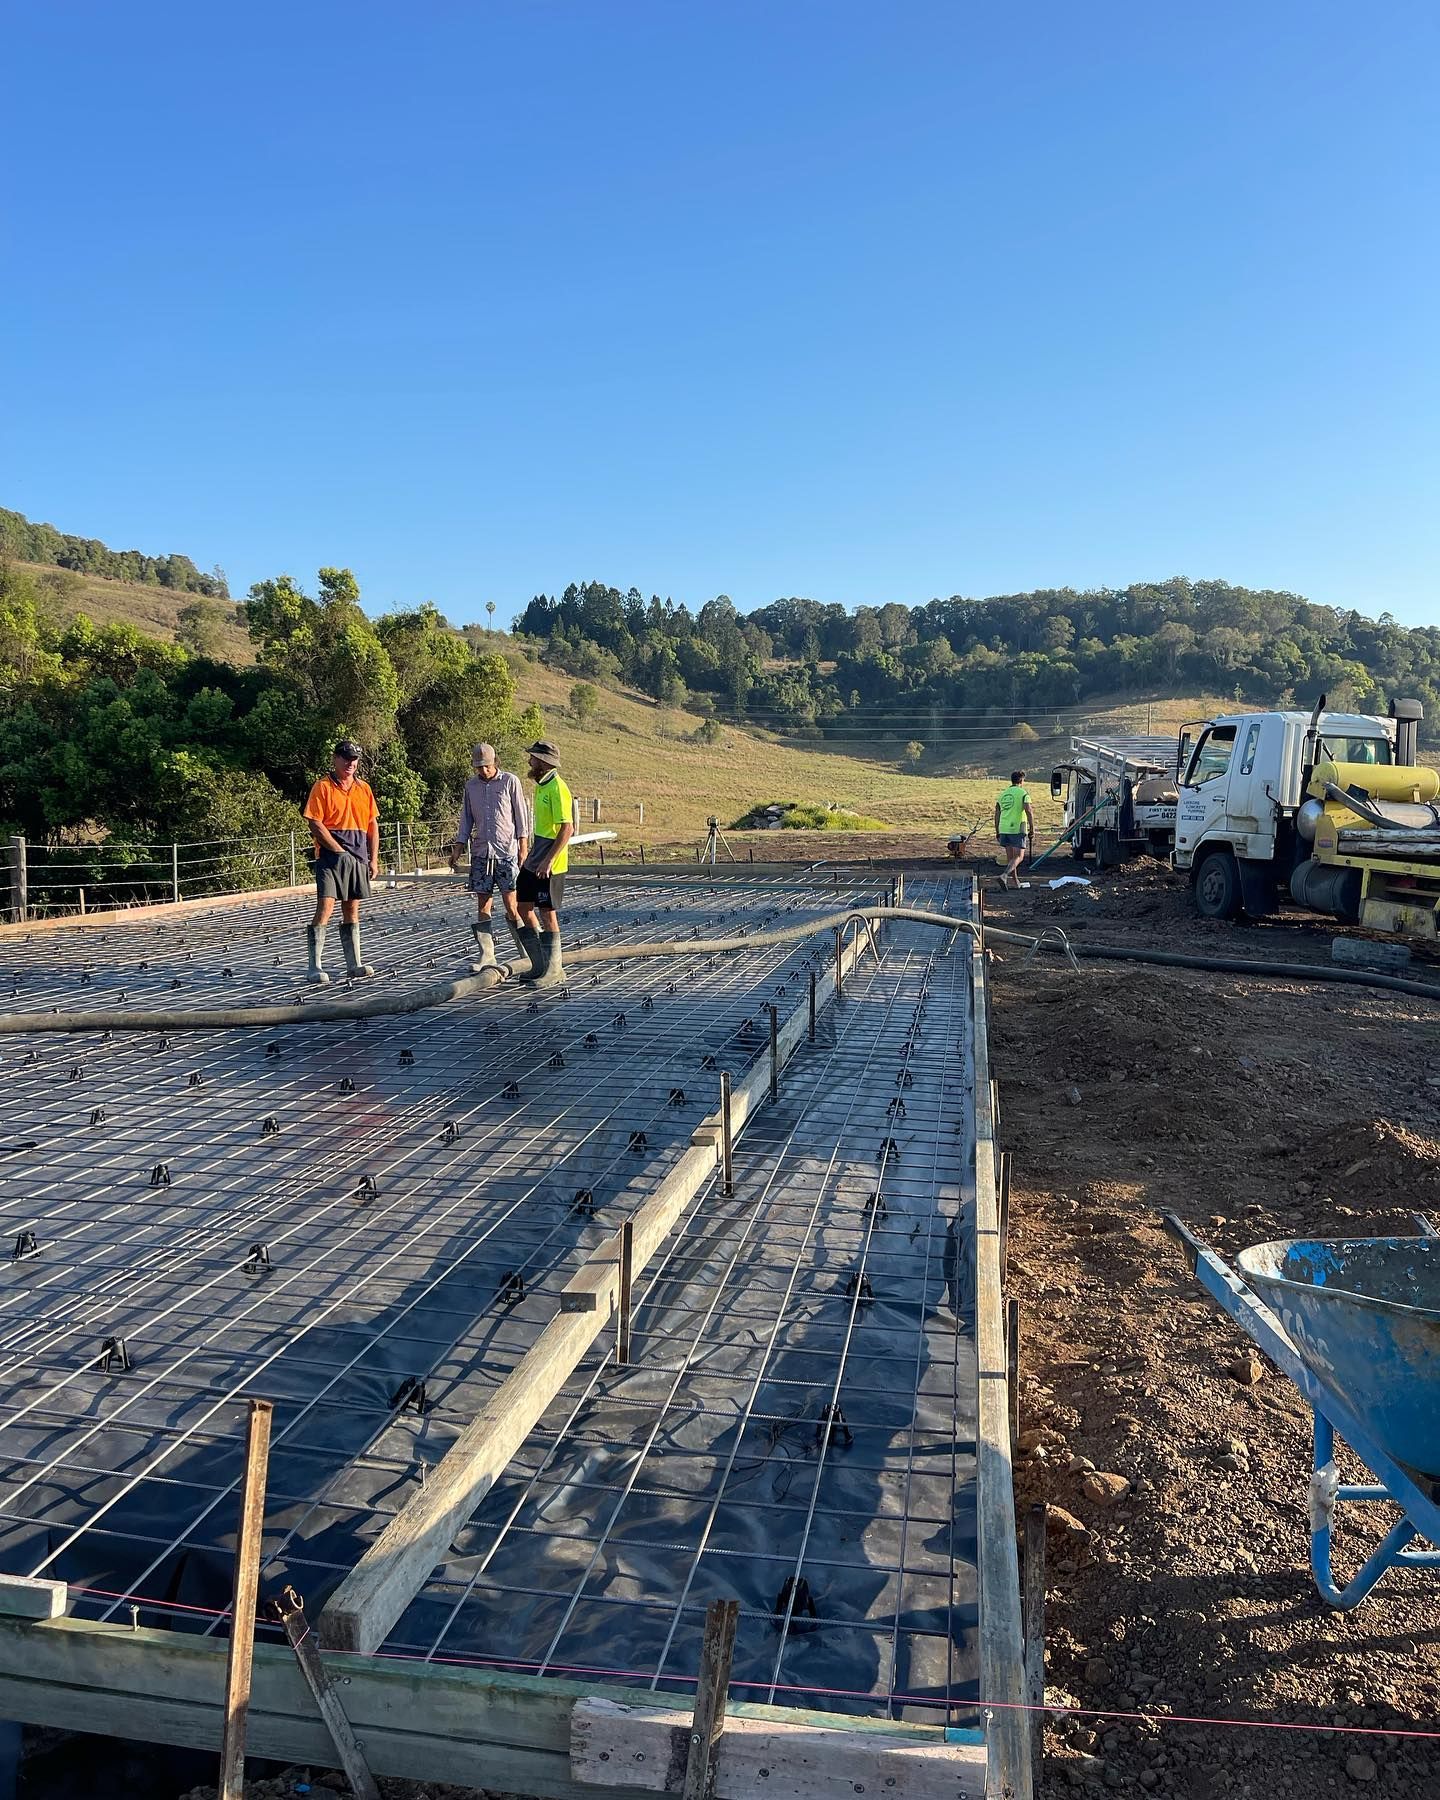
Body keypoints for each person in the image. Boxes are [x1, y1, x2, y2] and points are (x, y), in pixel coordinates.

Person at [302, 739, 380, 983]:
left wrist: (373, 859)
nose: (350, 763)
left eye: (354, 759)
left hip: (358, 856)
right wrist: (337, 850)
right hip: (330, 857)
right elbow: (315, 822)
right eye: (346, 758)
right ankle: (314, 966)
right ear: (335, 758)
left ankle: (354, 964)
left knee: (352, 908)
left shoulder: (363, 789)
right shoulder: (322, 787)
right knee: (326, 906)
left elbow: (371, 824)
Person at [449, 743, 529, 973]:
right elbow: (466, 819)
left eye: (486, 766)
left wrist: (523, 847)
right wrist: (459, 846)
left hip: (506, 852)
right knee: (483, 902)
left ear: (495, 763)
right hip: (482, 852)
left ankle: (525, 951)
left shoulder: (510, 782)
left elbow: (520, 816)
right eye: (478, 767)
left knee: (511, 904)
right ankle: (487, 954)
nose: (482, 771)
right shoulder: (471, 786)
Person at [514, 739, 574, 987]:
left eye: (533, 757)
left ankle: (554, 969)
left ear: (544, 762)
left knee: (547, 912)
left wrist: (549, 861)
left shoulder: (558, 788)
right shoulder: (541, 785)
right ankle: (539, 964)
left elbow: (567, 828)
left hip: (551, 859)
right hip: (536, 854)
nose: (529, 760)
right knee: (523, 906)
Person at [993, 769, 1035, 888]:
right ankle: (1004, 875)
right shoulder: (1023, 793)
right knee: (1019, 857)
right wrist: (1032, 828)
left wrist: (997, 830)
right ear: (1022, 780)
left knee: (1011, 858)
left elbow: (997, 814)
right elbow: (1028, 810)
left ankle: (1015, 882)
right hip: (1017, 828)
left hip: (1004, 828)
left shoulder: (1002, 794)